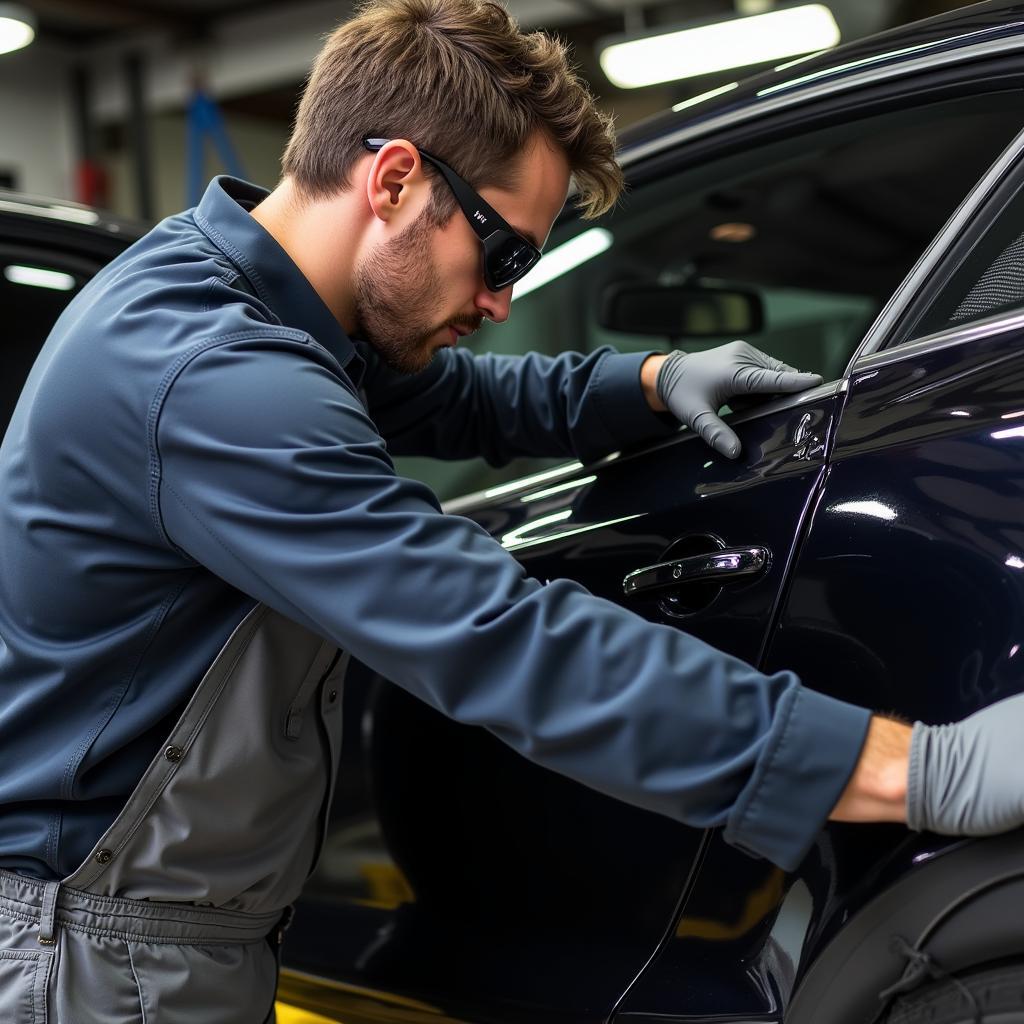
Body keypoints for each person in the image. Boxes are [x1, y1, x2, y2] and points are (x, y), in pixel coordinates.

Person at [0, 0, 1020, 1019]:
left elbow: (448, 396)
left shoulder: (231, 296)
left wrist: (652, 379)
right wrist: (906, 767)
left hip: (136, 930)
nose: (499, 301)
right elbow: (498, 638)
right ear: (395, 178)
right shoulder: (217, 378)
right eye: (505, 256)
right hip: (93, 956)